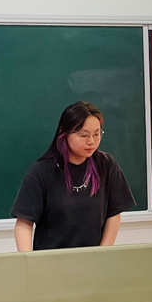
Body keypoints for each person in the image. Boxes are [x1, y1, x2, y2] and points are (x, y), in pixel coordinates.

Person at [11, 101, 135, 251]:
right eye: (83, 135)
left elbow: (114, 214)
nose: (91, 141)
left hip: (93, 259)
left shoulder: (106, 164)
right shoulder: (42, 171)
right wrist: (29, 261)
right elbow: (24, 223)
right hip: (51, 259)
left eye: (96, 134)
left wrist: (103, 253)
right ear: (64, 133)